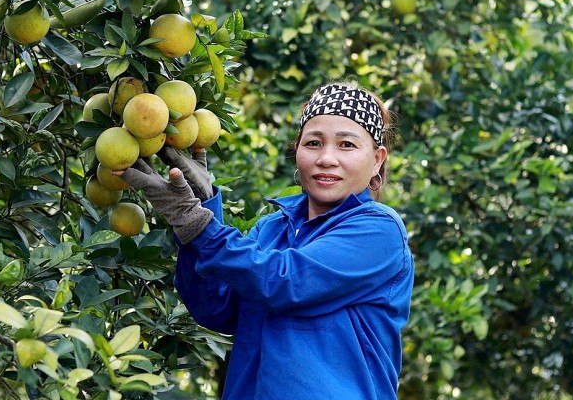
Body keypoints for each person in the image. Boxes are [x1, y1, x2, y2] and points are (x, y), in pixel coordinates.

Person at [117, 82, 414, 399]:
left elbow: (286, 282)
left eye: (347, 145)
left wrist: (195, 221)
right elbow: (214, 308)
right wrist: (204, 210)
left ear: (378, 160)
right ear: (297, 150)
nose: (327, 158)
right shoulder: (271, 230)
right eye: (313, 143)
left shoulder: (379, 230)